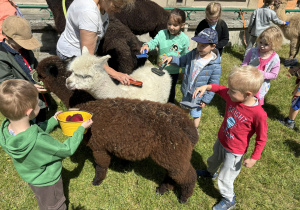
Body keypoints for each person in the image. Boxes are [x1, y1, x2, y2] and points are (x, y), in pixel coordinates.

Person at [0, 79, 93, 209]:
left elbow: (36, 129)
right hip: (48, 182)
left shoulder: (6, 131)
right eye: (37, 101)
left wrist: (53, 120)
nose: (39, 103)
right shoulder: (39, 140)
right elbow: (66, 149)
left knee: (43, 200)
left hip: (32, 177)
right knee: (55, 205)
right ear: (29, 111)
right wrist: (80, 129)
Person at [193, 66, 267, 210]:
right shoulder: (232, 96)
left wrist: (254, 157)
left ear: (247, 94)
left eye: (232, 90)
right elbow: (220, 89)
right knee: (214, 159)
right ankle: (210, 172)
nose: (228, 92)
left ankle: (228, 199)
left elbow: (261, 138)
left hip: (234, 151)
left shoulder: (258, 114)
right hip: (222, 139)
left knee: (226, 177)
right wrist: (207, 87)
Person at [56, 0, 135, 85]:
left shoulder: (100, 5)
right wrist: (116, 74)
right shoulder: (89, 13)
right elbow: (89, 60)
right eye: (116, 6)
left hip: (84, 52)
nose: (119, 11)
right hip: (73, 56)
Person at [163, 28, 221, 130]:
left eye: (203, 45)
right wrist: (172, 59)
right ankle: (182, 125)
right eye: (198, 44)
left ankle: (194, 130)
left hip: (198, 95)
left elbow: (213, 84)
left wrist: (206, 99)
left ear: (213, 46)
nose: (199, 47)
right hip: (187, 90)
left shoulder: (215, 65)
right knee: (184, 109)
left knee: (195, 113)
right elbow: (181, 61)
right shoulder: (193, 54)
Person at [0, 15, 48, 124]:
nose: (23, 45)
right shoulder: (1, 56)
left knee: (41, 122)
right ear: (7, 36)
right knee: (28, 128)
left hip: (35, 98)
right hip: (19, 103)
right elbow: (6, 84)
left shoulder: (25, 50)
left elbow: (35, 67)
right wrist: (31, 88)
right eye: (20, 42)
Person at [140, 8, 190, 103]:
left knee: (170, 92)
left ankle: (170, 106)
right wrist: (147, 46)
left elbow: (185, 57)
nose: (171, 27)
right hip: (160, 70)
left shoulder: (184, 39)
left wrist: (183, 71)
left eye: (175, 25)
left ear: (182, 25)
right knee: (159, 89)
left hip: (173, 72)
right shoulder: (162, 33)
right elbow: (154, 42)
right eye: (169, 24)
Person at [241, 26, 283, 105]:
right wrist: (244, 69)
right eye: (260, 42)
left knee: (256, 102)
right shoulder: (253, 51)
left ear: (274, 45)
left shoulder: (275, 59)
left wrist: (260, 73)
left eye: (266, 44)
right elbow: (244, 63)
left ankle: (254, 113)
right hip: (248, 81)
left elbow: (274, 75)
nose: (262, 46)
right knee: (245, 96)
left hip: (261, 85)